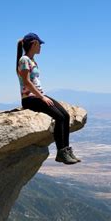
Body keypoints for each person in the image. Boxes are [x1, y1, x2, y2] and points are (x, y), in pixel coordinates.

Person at [16, 32, 81, 165]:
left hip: (37, 95)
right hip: (30, 98)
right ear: (34, 44)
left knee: (66, 115)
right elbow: (27, 82)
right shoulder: (24, 60)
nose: (41, 47)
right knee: (59, 117)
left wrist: (42, 96)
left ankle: (66, 150)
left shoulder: (32, 60)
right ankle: (61, 152)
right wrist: (42, 97)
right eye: (39, 44)